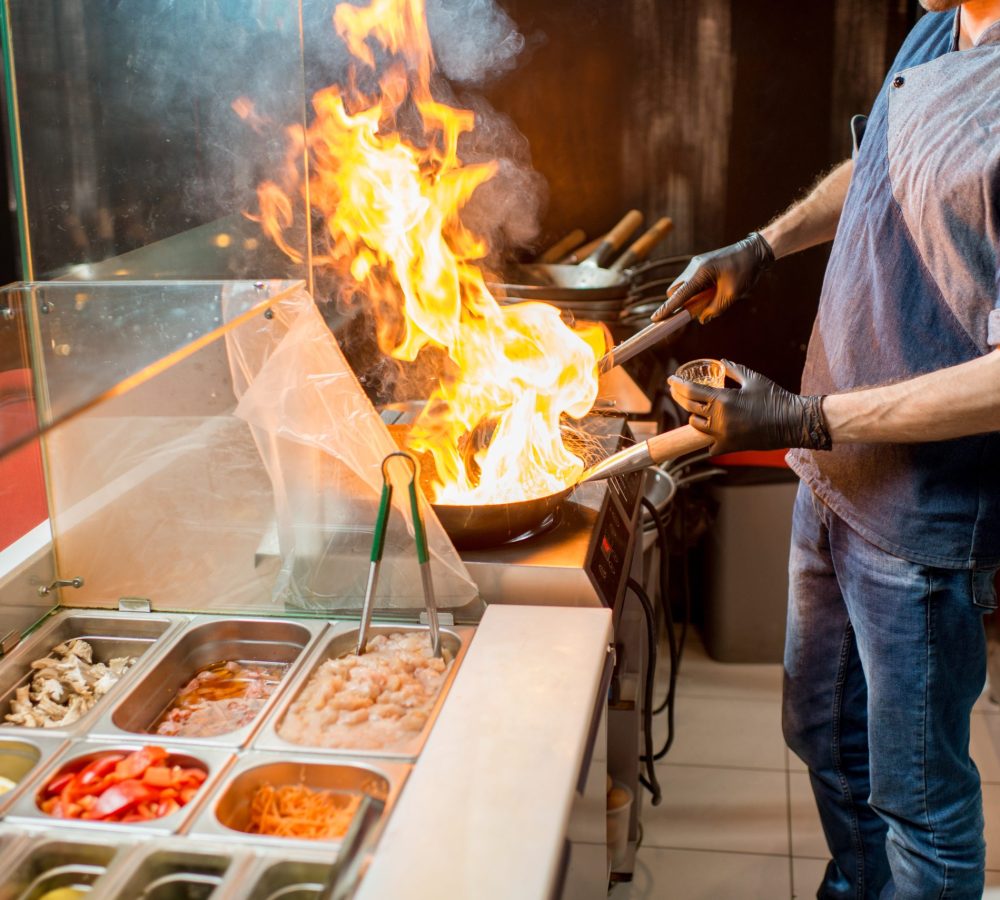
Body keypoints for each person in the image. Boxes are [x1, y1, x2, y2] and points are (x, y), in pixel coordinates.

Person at [653, 3, 1000, 897]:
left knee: (919, 800)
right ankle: (857, 884)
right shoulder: (941, 28)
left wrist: (807, 420)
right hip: (834, 473)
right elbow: (886, 155)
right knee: (820, 729)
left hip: (922, 515)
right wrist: (764, 246)